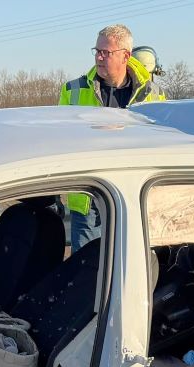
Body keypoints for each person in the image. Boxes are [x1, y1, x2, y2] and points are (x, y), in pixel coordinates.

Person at [56, 24, 166, 252]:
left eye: (106, 52)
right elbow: (58, 143)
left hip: (135, 199)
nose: (99, 57)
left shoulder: (153, 95)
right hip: (88, 199)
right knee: (84, 273)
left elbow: (161, 145)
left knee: (130, 268)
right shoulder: (73, 90)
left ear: (125, 55)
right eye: (97, 51)